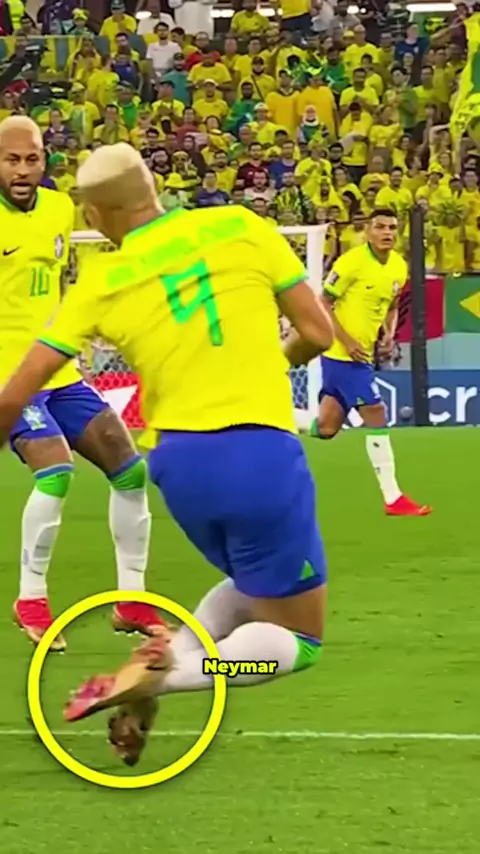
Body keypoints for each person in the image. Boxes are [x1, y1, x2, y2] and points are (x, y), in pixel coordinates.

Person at [0, 142, 333, 765]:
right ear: (153, 188)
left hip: (179, 468)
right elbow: (318, 332)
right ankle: (169, 676)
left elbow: (15, 392)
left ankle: (166, 659)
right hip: (259, 455)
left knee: (253, 583)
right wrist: (269, 366)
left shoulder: (100, 283)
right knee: (299, 639)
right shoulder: (241, 226)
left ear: (95, 216)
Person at [0, 118, 164, 650]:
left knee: (129, 467)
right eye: (11, 160)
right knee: (56, 471)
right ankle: (31, 600)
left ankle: (132, 600)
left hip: (60, 371)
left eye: (32, 159)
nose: (22, 170)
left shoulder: (58, 209)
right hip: (8, 376)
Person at [310, 208, 432, 517]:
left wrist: (388, 334)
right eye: (380, 227)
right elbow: (323, 303)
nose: (387, 233)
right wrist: (346, 340)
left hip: (361, 354)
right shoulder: (350, 262)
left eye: (392, 228)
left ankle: (276, 418)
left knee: (326, 427)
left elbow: (391, 305)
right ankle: (393, 498)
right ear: (368, 231)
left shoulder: (398, 266)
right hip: (341, 354)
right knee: (376, 411)